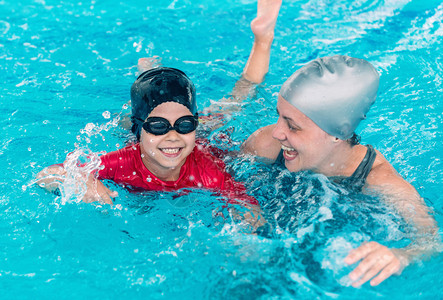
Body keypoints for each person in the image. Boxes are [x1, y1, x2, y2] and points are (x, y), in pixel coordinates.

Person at [229, 0, 439, 288]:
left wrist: (401, 255)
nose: (277, 132)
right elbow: (222, 178)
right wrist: (242, 205)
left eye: (292, 126)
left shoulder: (378, 180)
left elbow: (431, 241)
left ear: (337, 134)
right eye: (279, 118)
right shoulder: (267, 144)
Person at [36, 67, 260, 217]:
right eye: (158, 127)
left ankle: (262, 40)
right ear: (141, 129)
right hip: (136, 134)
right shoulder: (123, 162)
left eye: (185, 124)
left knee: (233, 104)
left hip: (205, 138)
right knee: (128, 120)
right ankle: (148, 72)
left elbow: (249, 206)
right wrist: (83, 180)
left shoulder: (206, 169)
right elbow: (46, 175)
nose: (172, 136)